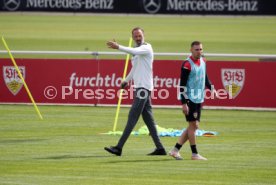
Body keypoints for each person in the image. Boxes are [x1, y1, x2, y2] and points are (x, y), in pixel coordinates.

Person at [104, 27, 166, 156]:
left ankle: (119, 147)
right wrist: (126, 81)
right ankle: (160, 148)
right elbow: (134, 69)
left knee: (132, 117)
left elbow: (131, 50)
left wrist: (118, 47)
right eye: (135, 36)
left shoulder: (146, 47)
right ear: (132, 37)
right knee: (149, 120)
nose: (138, 38)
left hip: (143, 89)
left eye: (140, 36)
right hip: (141, 88)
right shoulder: (137, 52)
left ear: (144, 35)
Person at [169, 41, 217, 160]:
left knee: (194, 126)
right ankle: (194, 154)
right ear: (191, 50)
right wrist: (184, 103)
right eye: (196, 49)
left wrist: (211, 88)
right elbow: (182, 85)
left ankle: (175, 150)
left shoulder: (203, 61)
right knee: (193, 125)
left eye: (200, 49)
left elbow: (205, 77)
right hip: (190, 99)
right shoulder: (187, 64)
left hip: (199, 98)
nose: (199, 51)